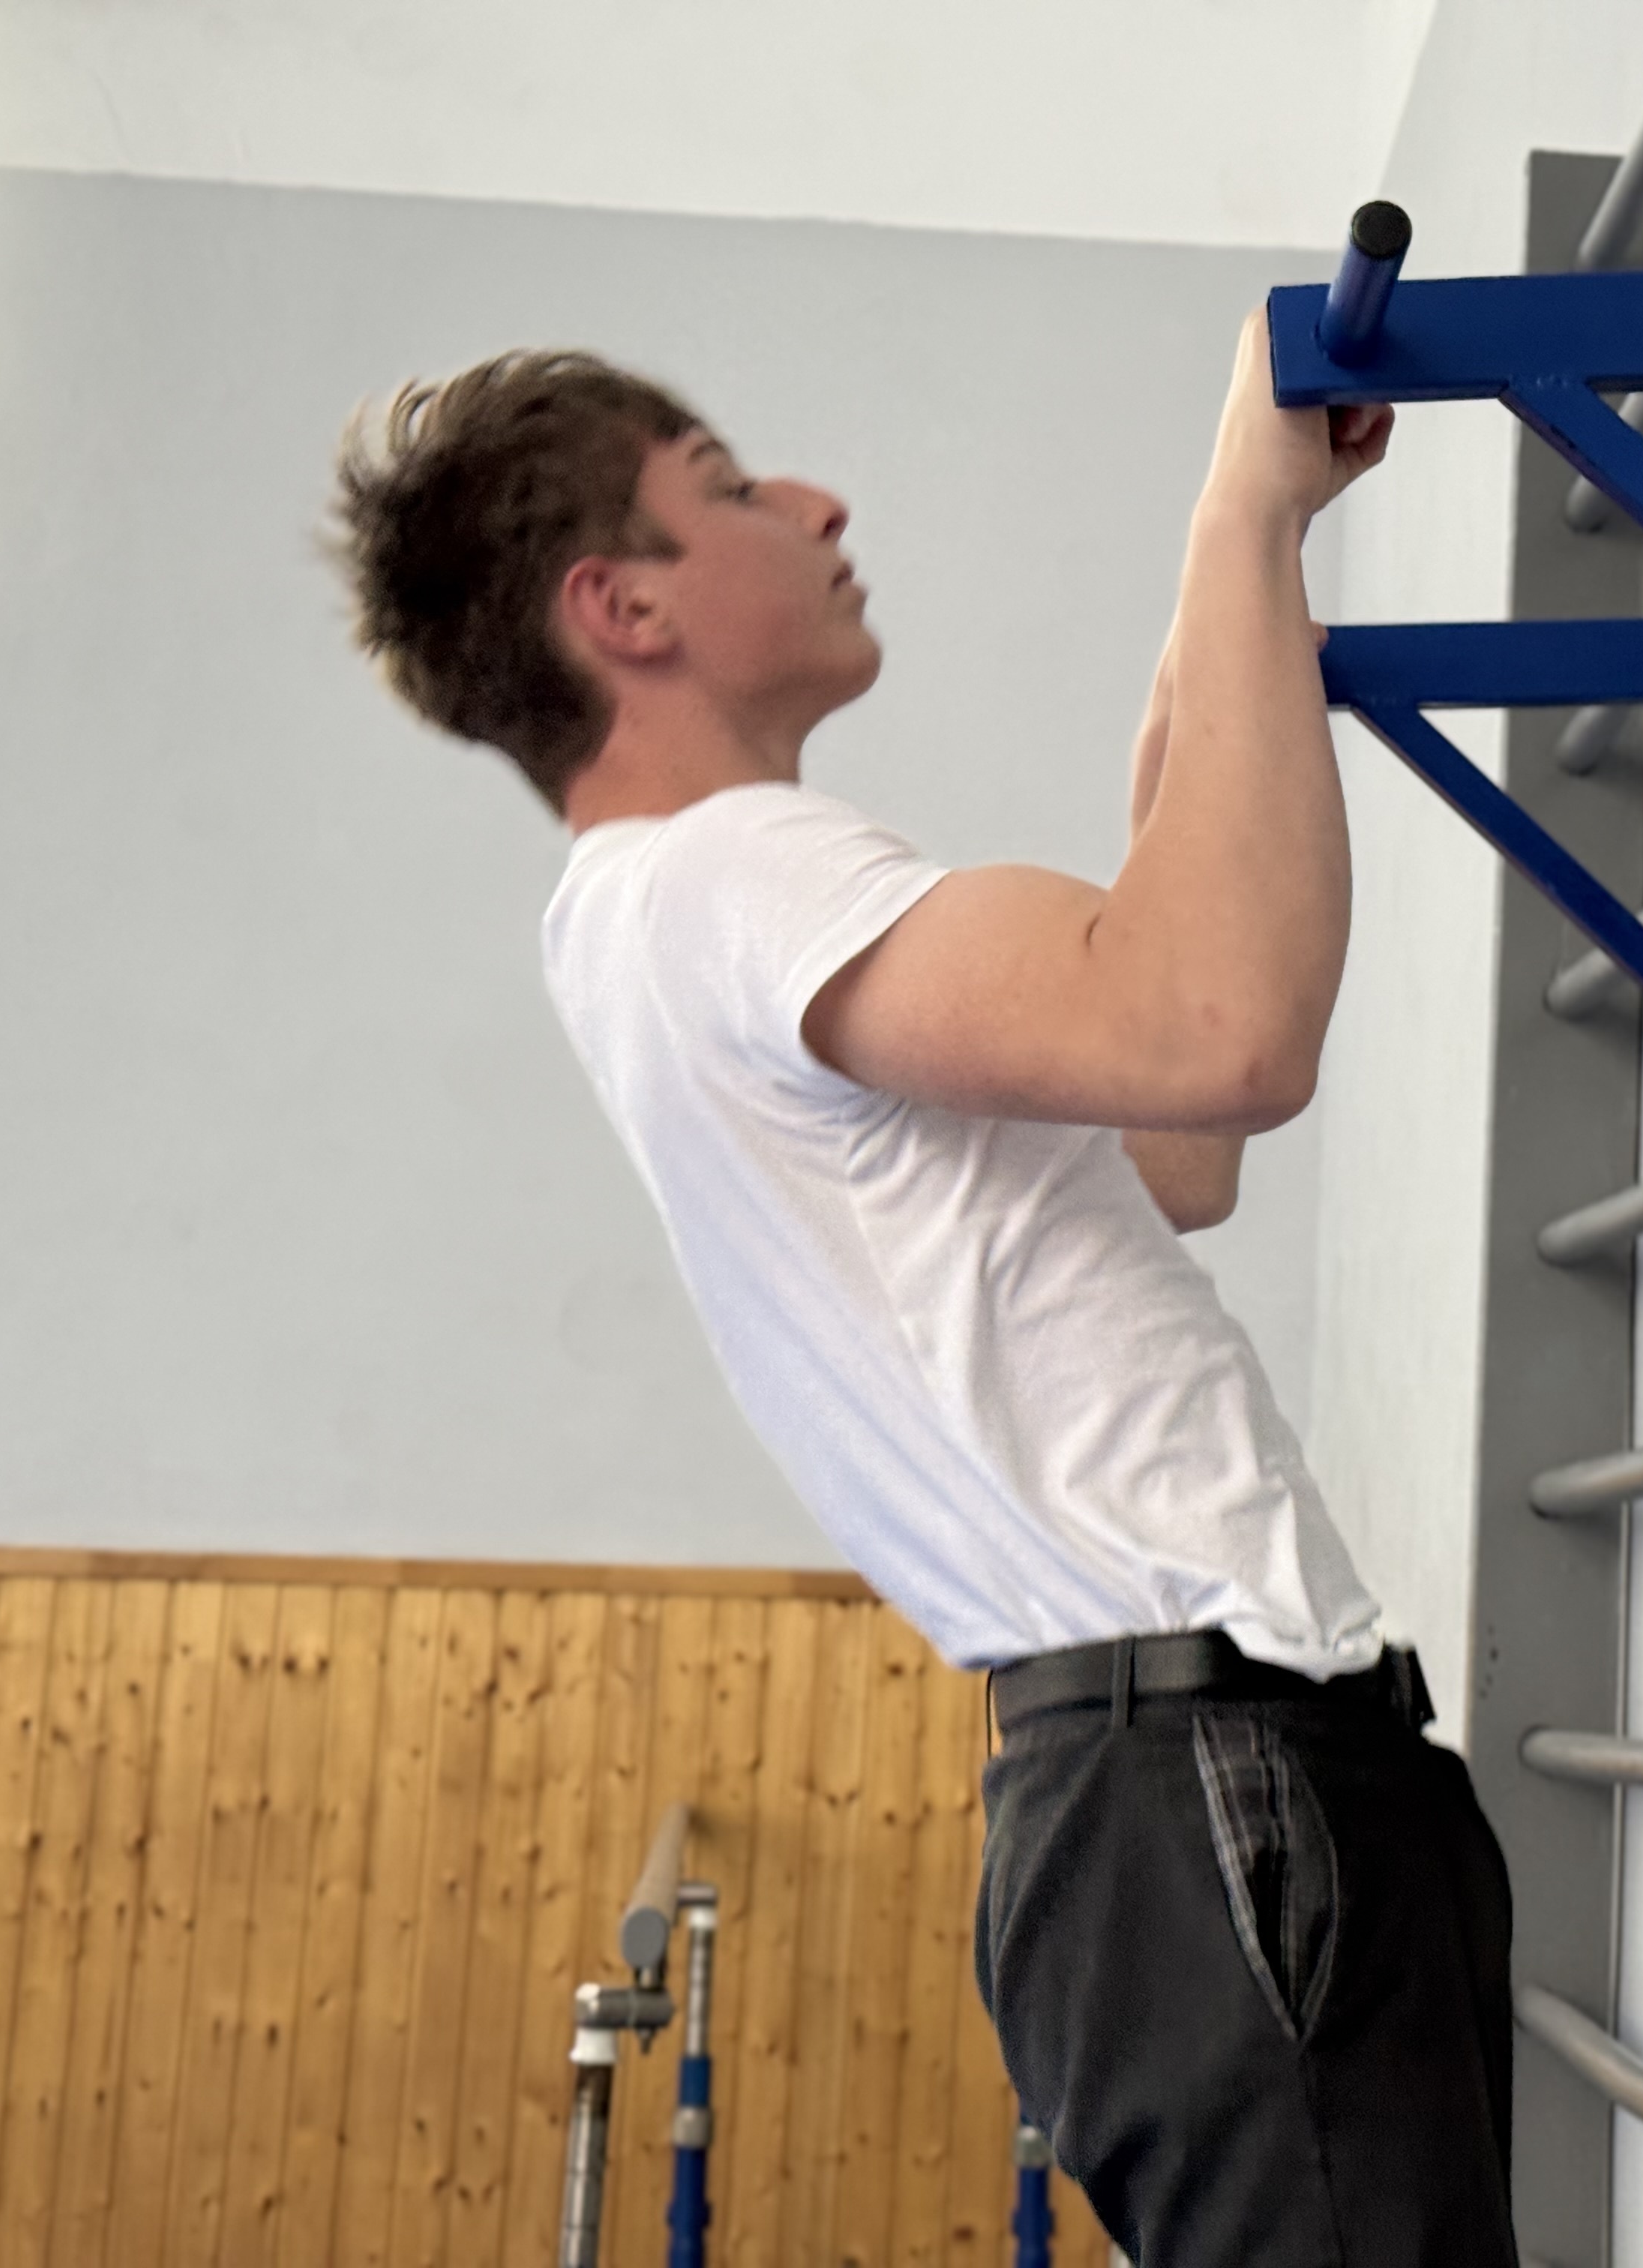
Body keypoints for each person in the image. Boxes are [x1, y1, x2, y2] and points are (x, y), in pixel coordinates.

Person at [331, 317, 1516, 2265]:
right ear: (622, 606)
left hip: (1213, 1782)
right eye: (730, 488)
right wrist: (1238, 509)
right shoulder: (721, 878)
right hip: (1204, 1780)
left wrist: (1241, 584)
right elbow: (1222, 1029)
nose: (816, 503)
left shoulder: (646, 930)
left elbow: (1174, 1147)